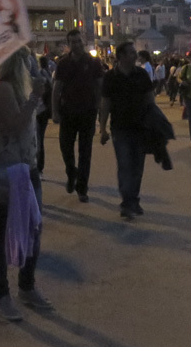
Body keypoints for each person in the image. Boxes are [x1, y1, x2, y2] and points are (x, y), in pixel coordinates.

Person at [0, 48, 52, 322]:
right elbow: (16, 124)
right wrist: (35, 94)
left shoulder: (19, 88)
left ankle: (27, 285)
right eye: (26, 61)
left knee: (33, 226)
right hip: (8, 169)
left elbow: (34, 119)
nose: (31, 65)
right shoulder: (4, 89)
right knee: (1, 233)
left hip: (27, 166)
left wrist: (38, 94)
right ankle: (2, 296)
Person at [99, 42, 157, 218]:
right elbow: (106, 103)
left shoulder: (141, 74)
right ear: (121, 57)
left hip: (140, 127)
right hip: (120, 128)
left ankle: (133, 199)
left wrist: (154, 122)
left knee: (137, 167)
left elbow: (150, 99)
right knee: (124, 165)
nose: (135, 55)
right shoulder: (110, 77)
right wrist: (102, 128)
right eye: (132, 53)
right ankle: (127, 202)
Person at [52, 29, 104, 202]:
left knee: (85, 151)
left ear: (84, 42)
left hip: (88, 112)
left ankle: (82, 187)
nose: (77, 44)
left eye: (79, 41)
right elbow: (57, 88)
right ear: (69, 44)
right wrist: (55, 111)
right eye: (73, 42)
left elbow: (99, 87)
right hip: (68, 112)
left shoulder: (94, 62)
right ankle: (71, 173)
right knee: (65, 148)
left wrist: (99, 107)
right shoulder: (63, 64)